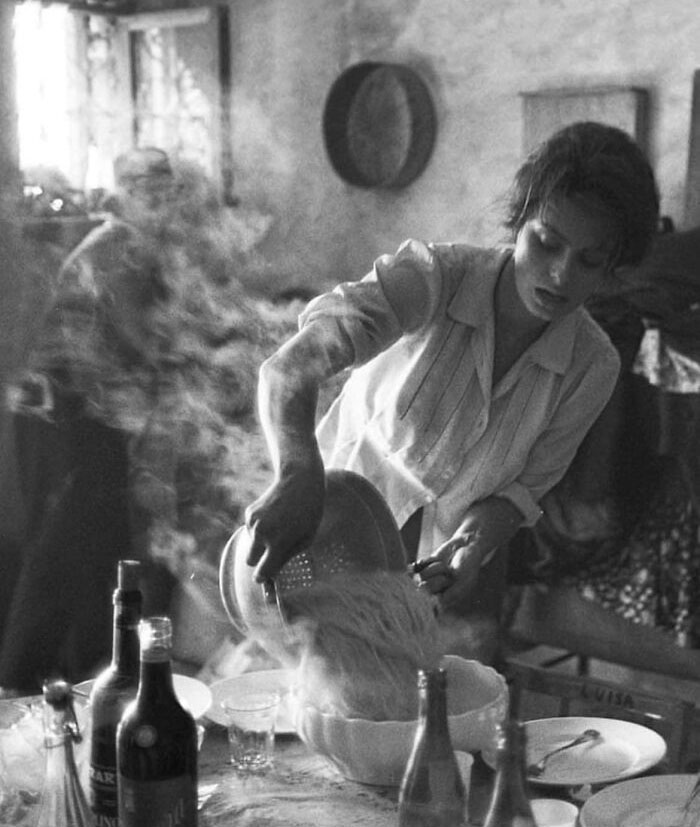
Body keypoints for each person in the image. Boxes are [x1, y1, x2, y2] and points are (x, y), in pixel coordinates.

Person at [243, 121, 660, 662]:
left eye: (588, 260)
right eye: (547, 241)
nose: (559, 275)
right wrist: (297, 471)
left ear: (612, 268)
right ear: (519, 221)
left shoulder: (591, 366)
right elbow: (290, 368)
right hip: (323, 549)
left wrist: (472, 546)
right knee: (305, 712)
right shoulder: (433, 280)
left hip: (441, 595)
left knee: (435, 725)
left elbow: (518, 493)